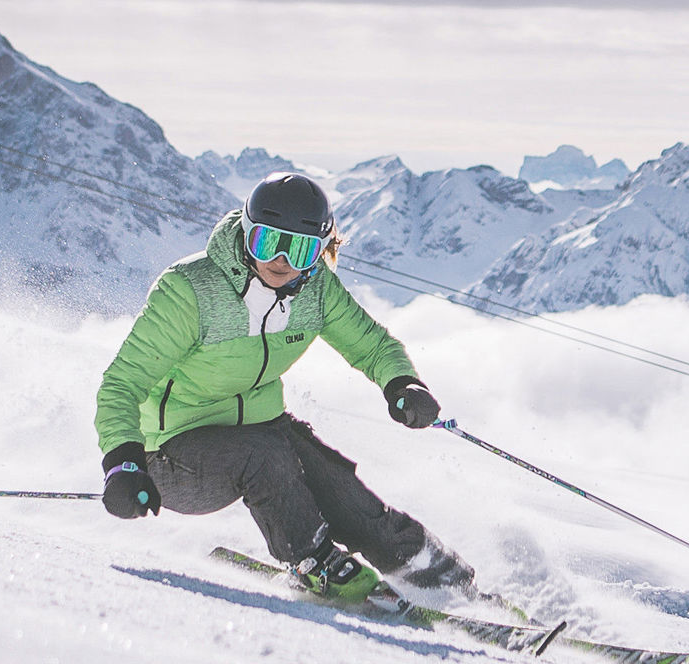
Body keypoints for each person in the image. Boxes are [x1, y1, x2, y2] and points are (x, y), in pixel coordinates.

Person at [94, 172, 477, 604]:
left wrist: (402, 383)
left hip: (261, 431)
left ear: (319, 250)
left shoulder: (316, 291)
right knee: (265, 456)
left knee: (342, 492)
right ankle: (313, 561)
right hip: (167, 457)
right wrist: (123, 464)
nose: (281, 260)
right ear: (245, 233)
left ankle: (443, 579)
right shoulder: (190, 291)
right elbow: (122, 384)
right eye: (267, 242)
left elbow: (372, 345)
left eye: (300, 249)